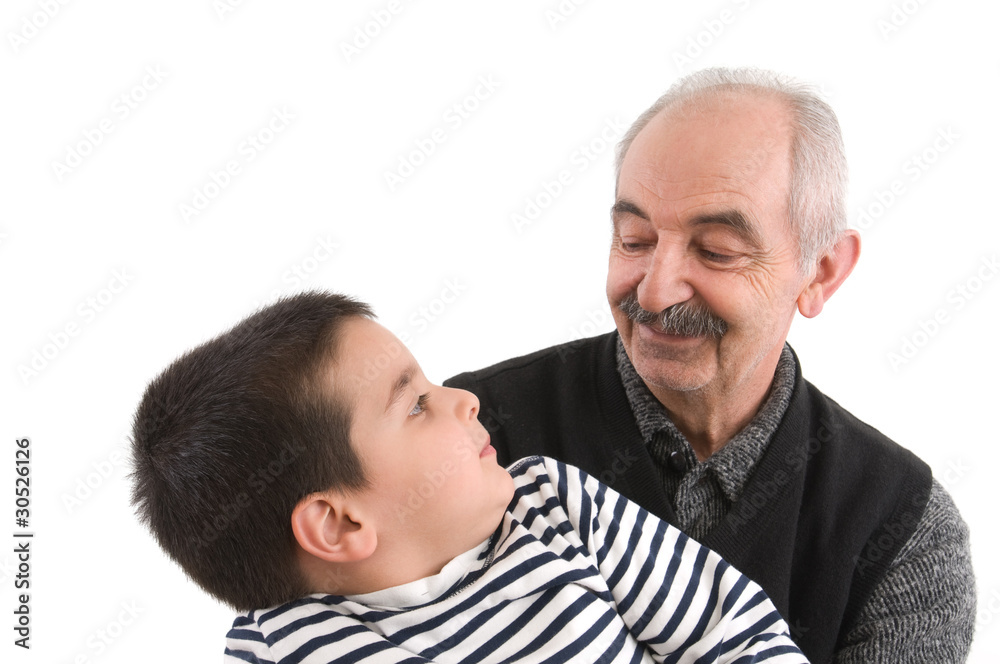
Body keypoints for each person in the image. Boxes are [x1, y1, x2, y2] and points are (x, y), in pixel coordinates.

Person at [445, 67, 976, 662]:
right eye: (635, 238)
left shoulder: (901, 526)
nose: (653, 293)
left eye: (716, 251)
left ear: (821, 271)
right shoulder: (471, 432)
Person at [129, 292, 809, 663]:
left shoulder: (555, 510)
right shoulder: (279, 648)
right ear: (340, 523)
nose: (464, 399)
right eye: (417, 404)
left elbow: (736, 634)